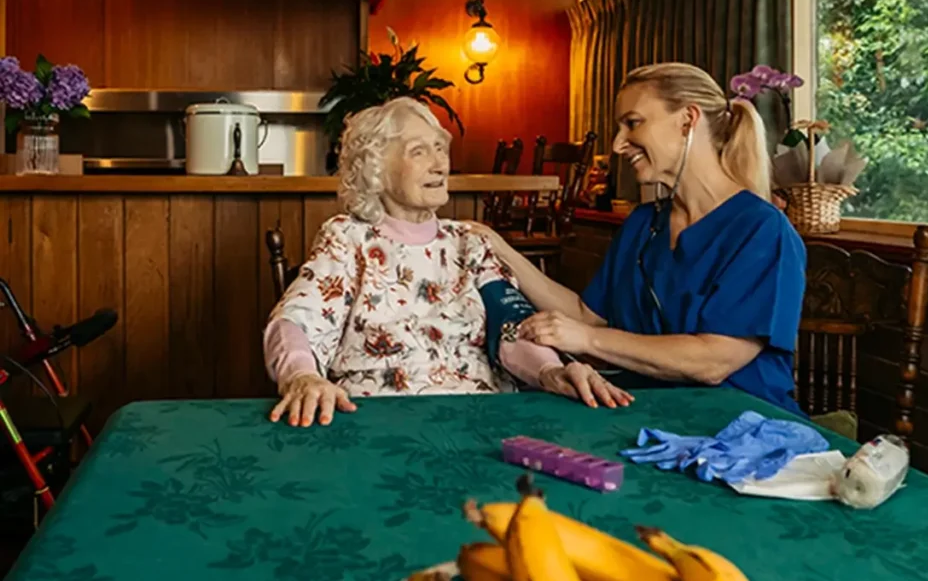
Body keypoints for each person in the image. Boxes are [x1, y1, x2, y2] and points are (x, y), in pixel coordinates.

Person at [263, 97, 632, 426]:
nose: (440, 164)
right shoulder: (348, 238)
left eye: (440, 148)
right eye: (418, 151)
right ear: (374, 169)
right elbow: (297, 320)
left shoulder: (470, 242)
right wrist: (301, 376)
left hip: (478, 419)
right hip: (376, 422)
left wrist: (550, 370)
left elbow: (511, 326)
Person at [474, 63, 806, 414]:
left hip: (741, 430)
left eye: (632, 123)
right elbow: (587, 315)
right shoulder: (644, 223)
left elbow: (715, 360)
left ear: (687, 120)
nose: (618, 144)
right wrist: (497, 246)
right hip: (645, 415)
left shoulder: (762, 231)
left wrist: (587, 340)